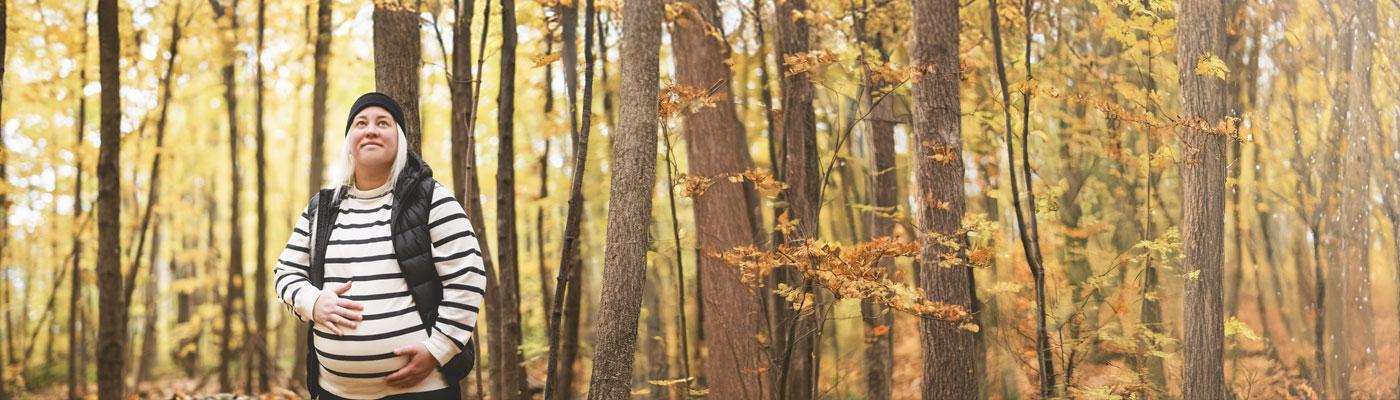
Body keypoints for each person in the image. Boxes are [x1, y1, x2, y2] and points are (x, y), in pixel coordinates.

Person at [274, 92, 486, 400]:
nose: (371, 129)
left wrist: (438, 349)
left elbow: (468, 276)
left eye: (382, 123)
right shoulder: (322, 209)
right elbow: (285, 273)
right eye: (361, 123)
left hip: (423, 390)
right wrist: (313, 301)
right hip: (336, 392)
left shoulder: (430, 198)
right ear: (349, 140)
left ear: (399, 139)